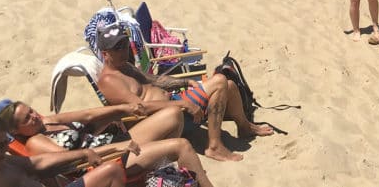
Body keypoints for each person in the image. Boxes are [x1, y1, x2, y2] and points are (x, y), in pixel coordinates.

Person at [95, 24, 273, 163]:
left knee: (230, 85)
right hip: (165, 119)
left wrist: (185, 82)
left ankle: (245, 127)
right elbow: (140, 108)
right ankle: (214, 146)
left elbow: (155, 80)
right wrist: (182, 104)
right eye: (117, 47)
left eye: (125, 43)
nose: (123, 49)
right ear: (105, 53)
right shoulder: (109, 80)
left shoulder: (125, 66)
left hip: (174, 103)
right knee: (219, 82)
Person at [0, 101, 214, 187]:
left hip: (116, 143)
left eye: (31, 111)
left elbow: (89, 115)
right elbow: (76, 159)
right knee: (181, 145)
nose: (34, 117)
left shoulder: (47, 121)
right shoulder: (36, 142)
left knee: (173, 115)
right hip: (108, 159)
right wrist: (115, 148)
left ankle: (159, 172)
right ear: (15, 131)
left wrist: (117, 112)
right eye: (26, 119)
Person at [0, 114, 125, 187]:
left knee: (112, 171)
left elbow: (37, 162)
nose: (5, 149)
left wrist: (84, 153)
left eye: (6, 143)